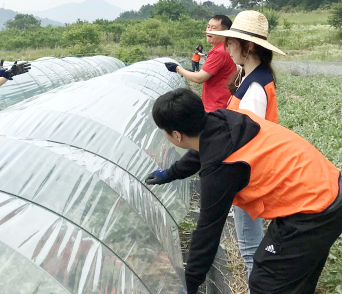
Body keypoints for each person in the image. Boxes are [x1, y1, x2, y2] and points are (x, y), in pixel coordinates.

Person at [146, 88, 342, 294]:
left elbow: (208, 229)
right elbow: (202, 150)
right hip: (329, 187)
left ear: (176, 135)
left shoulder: (223, 167)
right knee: (295, 279)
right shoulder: (223, 119)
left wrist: (189, 283)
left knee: (266, 282)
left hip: (313, 210)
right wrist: (170, 173)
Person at [210, 10, 287, 278]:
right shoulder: (253, 77)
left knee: (250, 246)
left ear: (249, 45)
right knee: (252, 243)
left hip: (247, 177)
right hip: (250, 174)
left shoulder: (255, 89)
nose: (227, 47)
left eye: (231, 42)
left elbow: (248, 139)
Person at [164, 15, 237, 112]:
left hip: (216, 107)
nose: (209, 30)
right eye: (208, 26)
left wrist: (177, 69)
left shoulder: (219, 52)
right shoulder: (225, 48)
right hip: (224, 104)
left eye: (214, 28)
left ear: (225, 32)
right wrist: (189, 72)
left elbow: (199, 78)